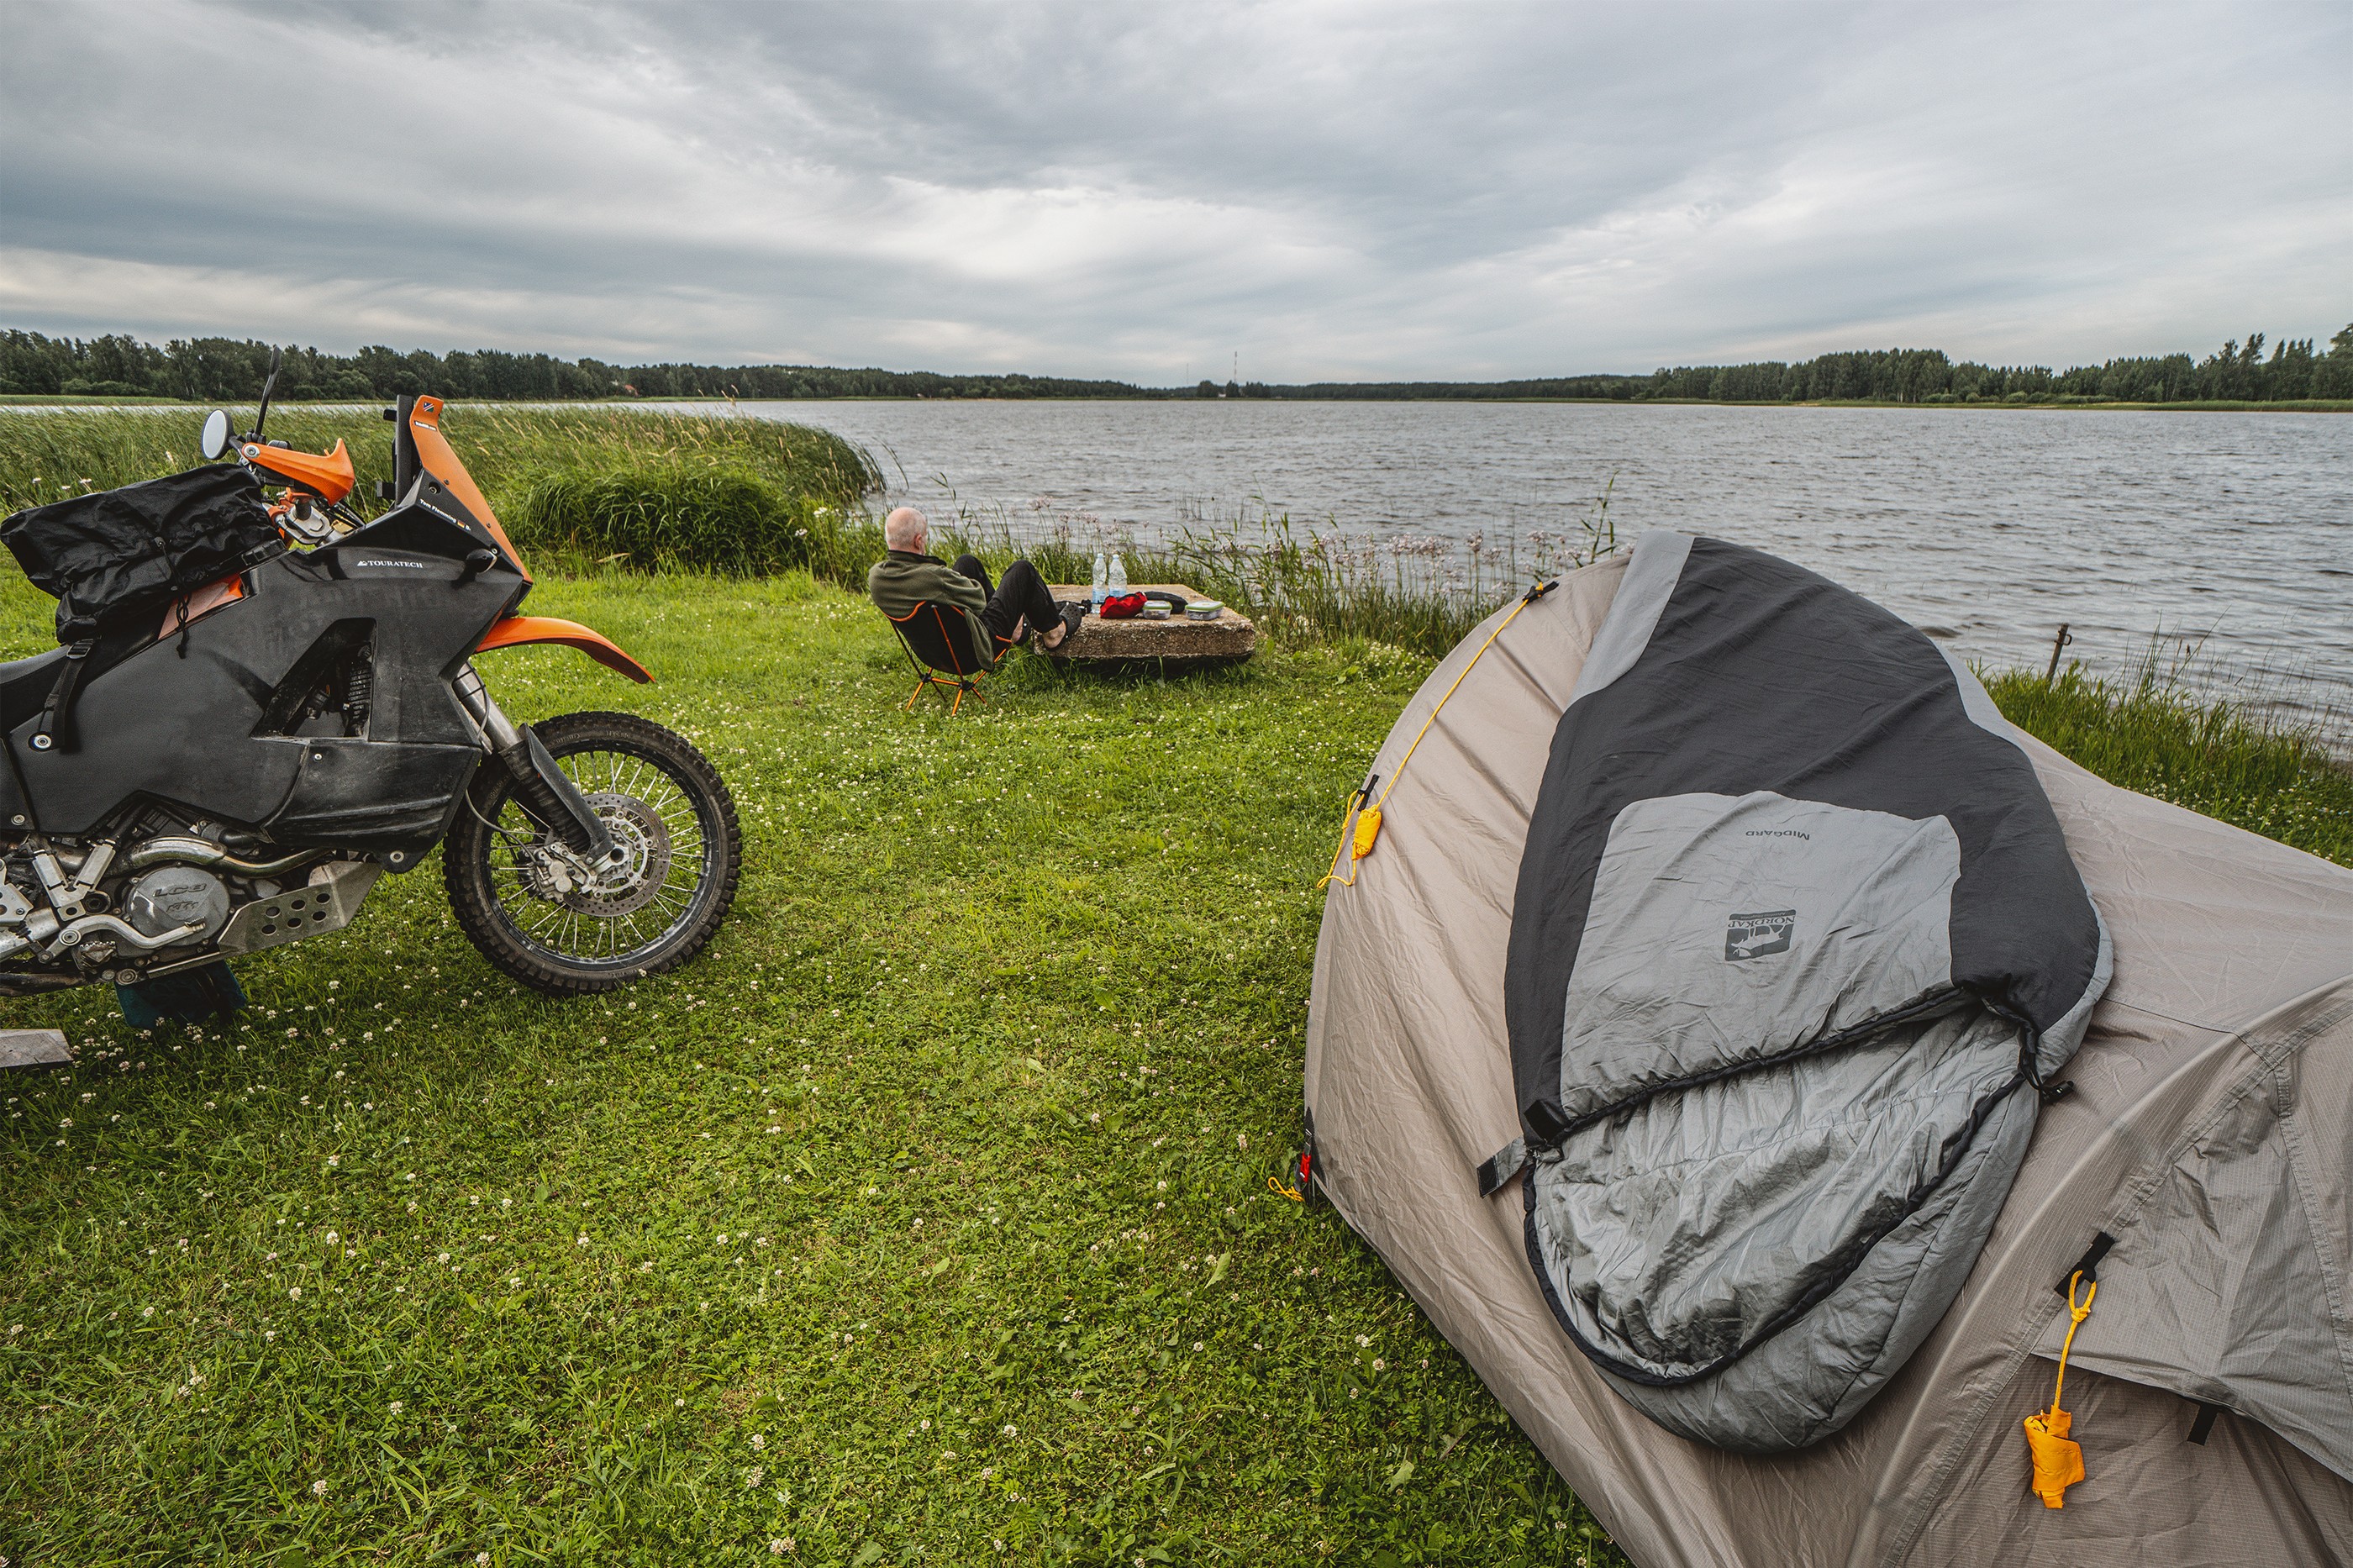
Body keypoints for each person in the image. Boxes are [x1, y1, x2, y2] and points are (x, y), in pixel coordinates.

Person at [866, 507, 1083, 666]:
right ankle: (1054, 633)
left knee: (966, 563)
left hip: (933, 654)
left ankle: (1017, 629)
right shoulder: (934, 578)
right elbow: (978, 599)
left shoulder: (876, 577)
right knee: (1022, 571)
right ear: (919, 541)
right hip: (972, 652)